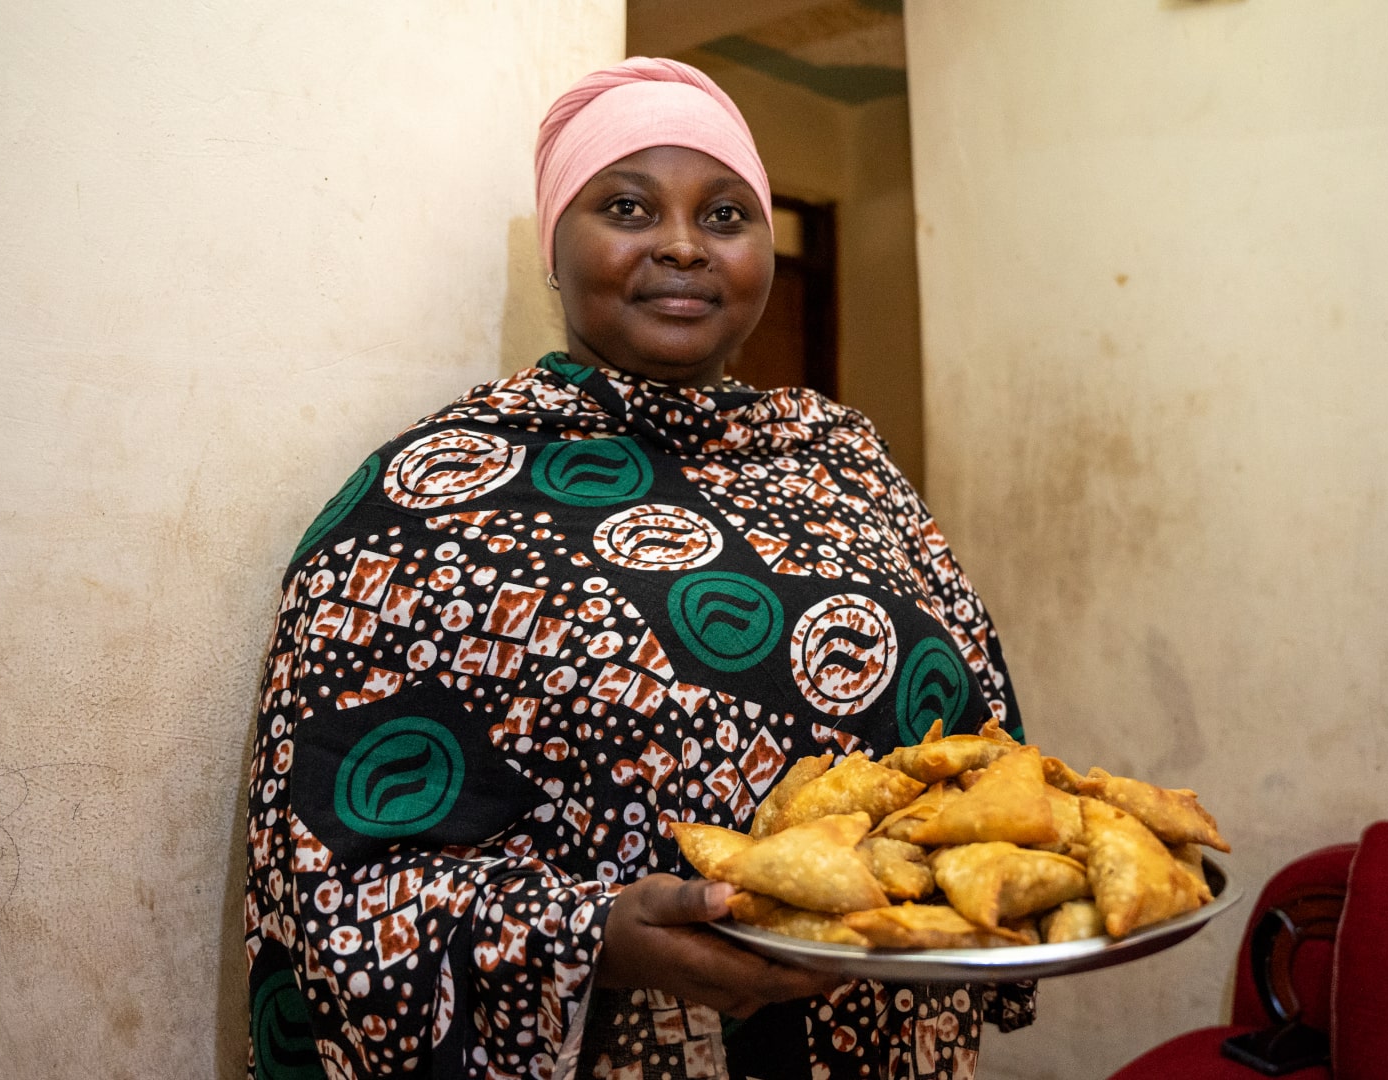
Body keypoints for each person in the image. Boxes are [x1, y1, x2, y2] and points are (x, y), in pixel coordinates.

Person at [242, 58, 1032, 1080]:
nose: (681, 244)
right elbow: (325, 887)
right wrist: (592, 937)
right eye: (627, 206)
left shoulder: (844, 463)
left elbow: (988, 754)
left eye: (726, 214)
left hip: (881, 1041)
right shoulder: (425, 502)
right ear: (554, 250)